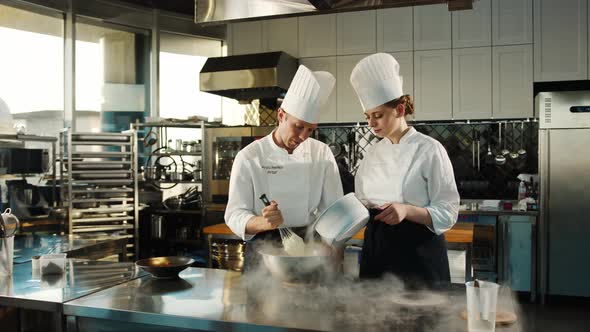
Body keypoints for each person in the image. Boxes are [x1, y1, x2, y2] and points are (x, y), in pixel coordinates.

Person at [349, 53, 460, 290]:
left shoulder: (429, 149)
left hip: (418, 255)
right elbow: (361, 201)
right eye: (368, 117)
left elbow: (448, 212)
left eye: (377, 115)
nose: (371, 124)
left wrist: (406, 210)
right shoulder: (372, 154)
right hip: (377, 252)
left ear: (399, 110)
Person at [225, 65, 343, 270]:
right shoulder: (249, 157)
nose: (303, 136)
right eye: (298, 126)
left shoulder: (321, 153)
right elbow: (234, 214)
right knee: (263, 302)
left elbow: (333, 209)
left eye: (310, 130)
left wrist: (329, 246)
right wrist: (263, 222)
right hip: (264, 250)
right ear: (281, 116)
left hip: (309, 247)